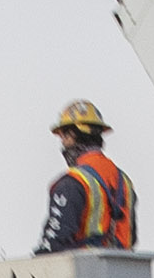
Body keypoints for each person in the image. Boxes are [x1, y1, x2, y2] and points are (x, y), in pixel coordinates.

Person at [36, 100, 136, 254]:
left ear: (71, 135)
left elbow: (53, 244)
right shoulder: (124, 181)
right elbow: (131, 236)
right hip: (124, 272)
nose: (62, 144)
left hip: (85, 273)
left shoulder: (71, 183)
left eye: (63, 137)